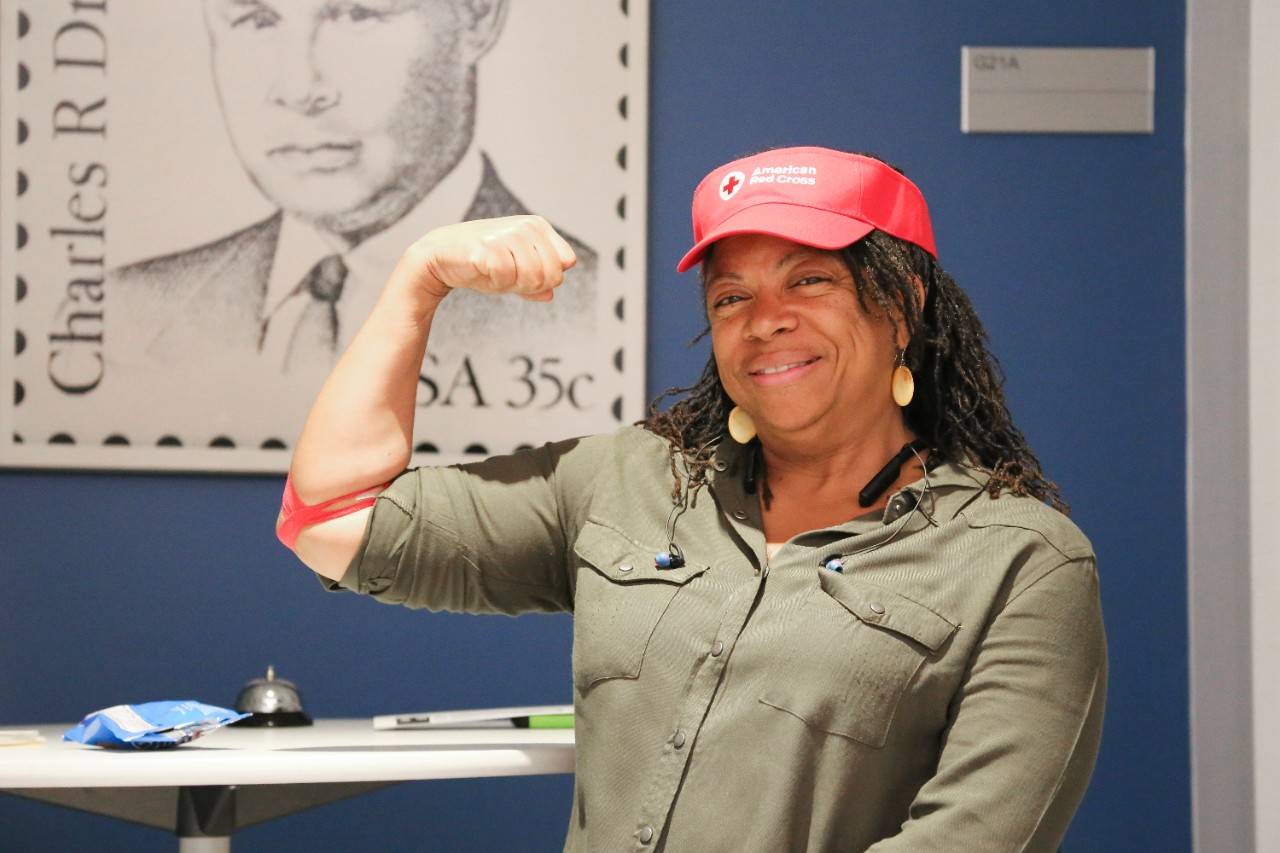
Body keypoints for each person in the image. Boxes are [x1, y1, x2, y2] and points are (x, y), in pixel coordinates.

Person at [279, 146, 1106, 851]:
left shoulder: (1021, 562)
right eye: (730, 296)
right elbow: (330, 520)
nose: (764, 320)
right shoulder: (630, 480)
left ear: (902, 304)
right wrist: (418, 280)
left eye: (809, 279)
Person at [108, 0, 595, 377]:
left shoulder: (593, 308)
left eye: (357, 13)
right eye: (256, 18)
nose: (299, 87)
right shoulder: (134, 308)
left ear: (477, 15)